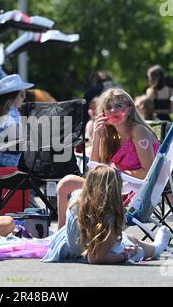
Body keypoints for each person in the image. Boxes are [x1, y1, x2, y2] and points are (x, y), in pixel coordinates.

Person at [56, 88, 160, 228]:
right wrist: (97, 137)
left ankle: (63, 236)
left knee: (66, 183)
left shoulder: (138, 131)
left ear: (129, 110)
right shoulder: (111, 136)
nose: (113, 111)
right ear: (103, 113)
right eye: (108, 107)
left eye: (118, 106)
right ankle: (63, 235)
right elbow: (94, 170)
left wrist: (115, 173)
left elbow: (149, 173)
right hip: (117, 186)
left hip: (134, 193)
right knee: (65, 185)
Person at [42, 165, 170, 263]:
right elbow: (95, 258)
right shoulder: (108, 217)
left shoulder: (76, 200)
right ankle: (156, 248)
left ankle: (154, 247)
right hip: (93, 252)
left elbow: (66, 183)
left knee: (124, 238)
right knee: (134, 245)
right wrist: (125, 256)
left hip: (67, 248)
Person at [0, 74, 34, 167]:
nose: (24, 97)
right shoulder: (8, 113)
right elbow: (18, 135)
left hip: (5, 162)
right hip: (7, 165)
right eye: (22, 94)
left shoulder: (9, 111)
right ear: (12, 96)